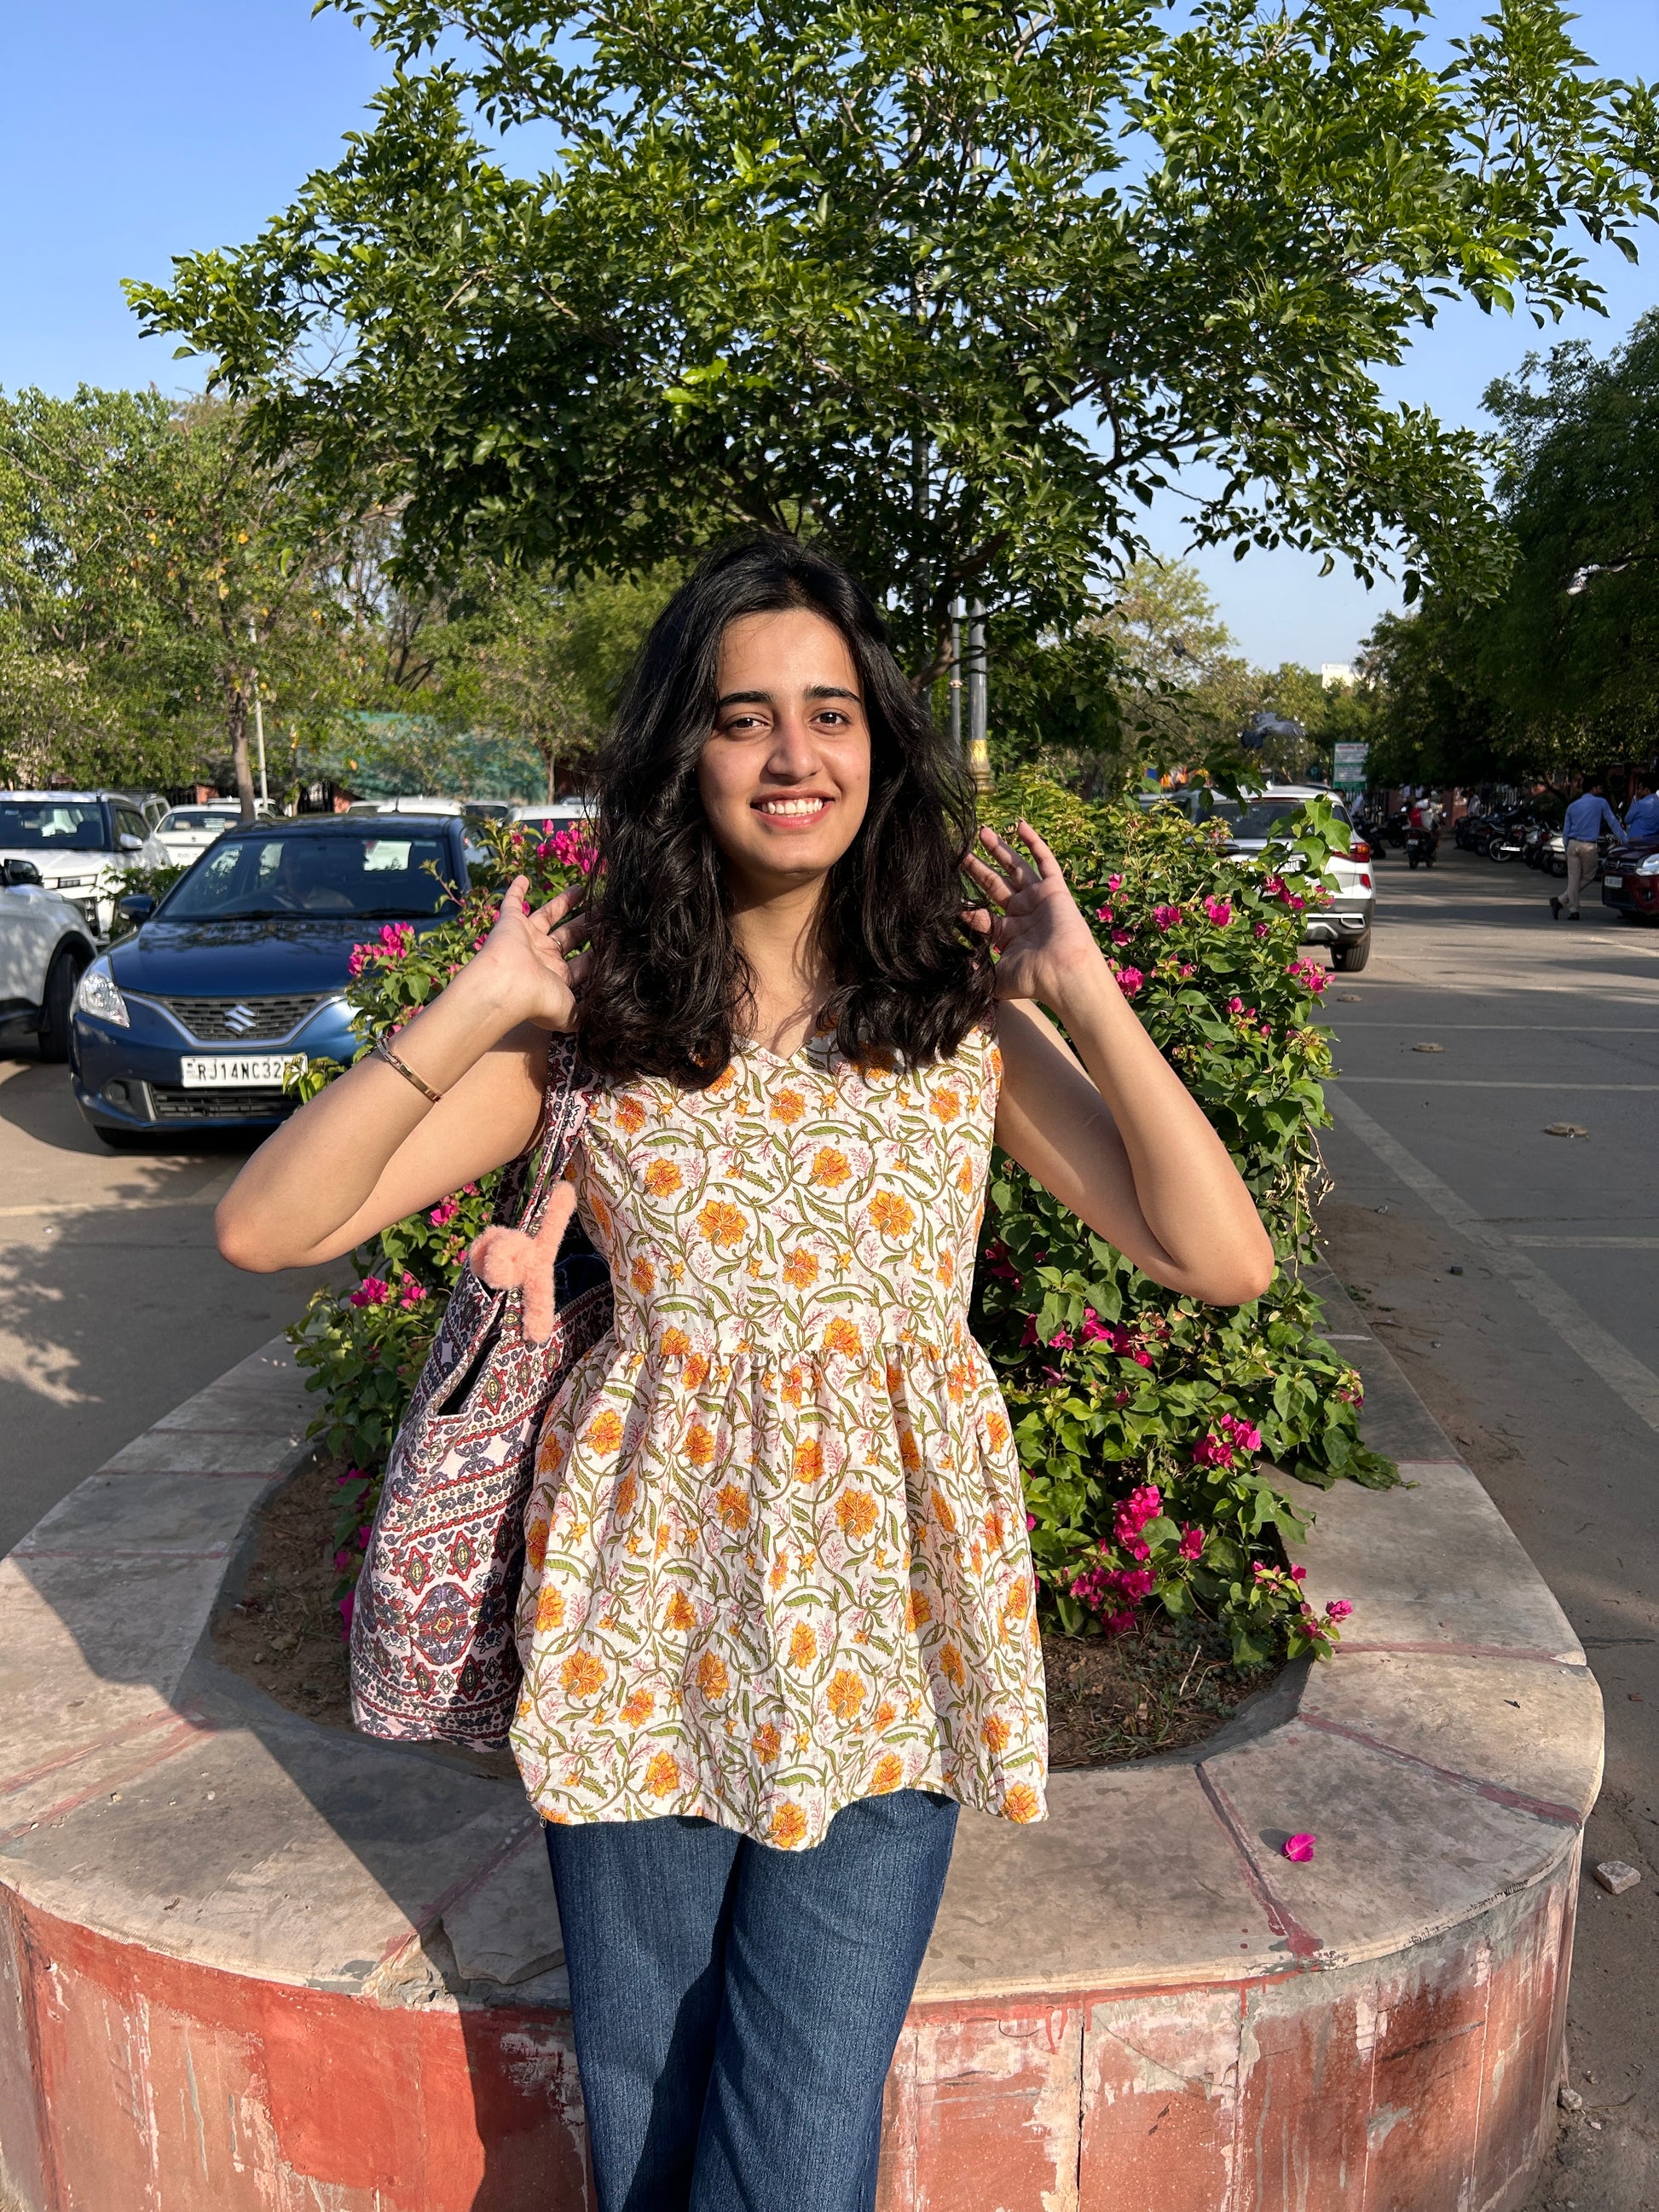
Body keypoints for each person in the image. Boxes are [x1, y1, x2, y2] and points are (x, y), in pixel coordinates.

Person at [213, 538, 1273, 2212]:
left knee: (791, 2138)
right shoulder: (598, 1026)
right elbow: (272, 1225)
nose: (794, 756)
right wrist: (476, 996)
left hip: (885, 1641)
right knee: (642, 2104)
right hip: (641, 1628)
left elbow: (1219, 1256)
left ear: (883, 744)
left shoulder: (957, 1025)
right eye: (744, 717)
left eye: (830, 713)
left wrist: (1079, 984)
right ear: (681, 755)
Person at [1551, 777, 1625, 921]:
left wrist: (1566, 848)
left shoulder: (1572, 806)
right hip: (1588, 845)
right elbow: (1613, 822)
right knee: (1589, 876)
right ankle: (1561, 900)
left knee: (1573, 878)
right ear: (1594, 788)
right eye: (1598, 787)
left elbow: (1566, 831)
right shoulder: (1601, 802)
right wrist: (1625, 839)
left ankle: (1573, 910)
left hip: (1572, 844)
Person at [1626, 771, 1659, 846]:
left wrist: (1635, 802)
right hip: (1653, 843)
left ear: (1647, 790)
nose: (1638, 791)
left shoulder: (1641, 803)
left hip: (1636, 842)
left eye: (1640, 789)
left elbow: (1627, 820)